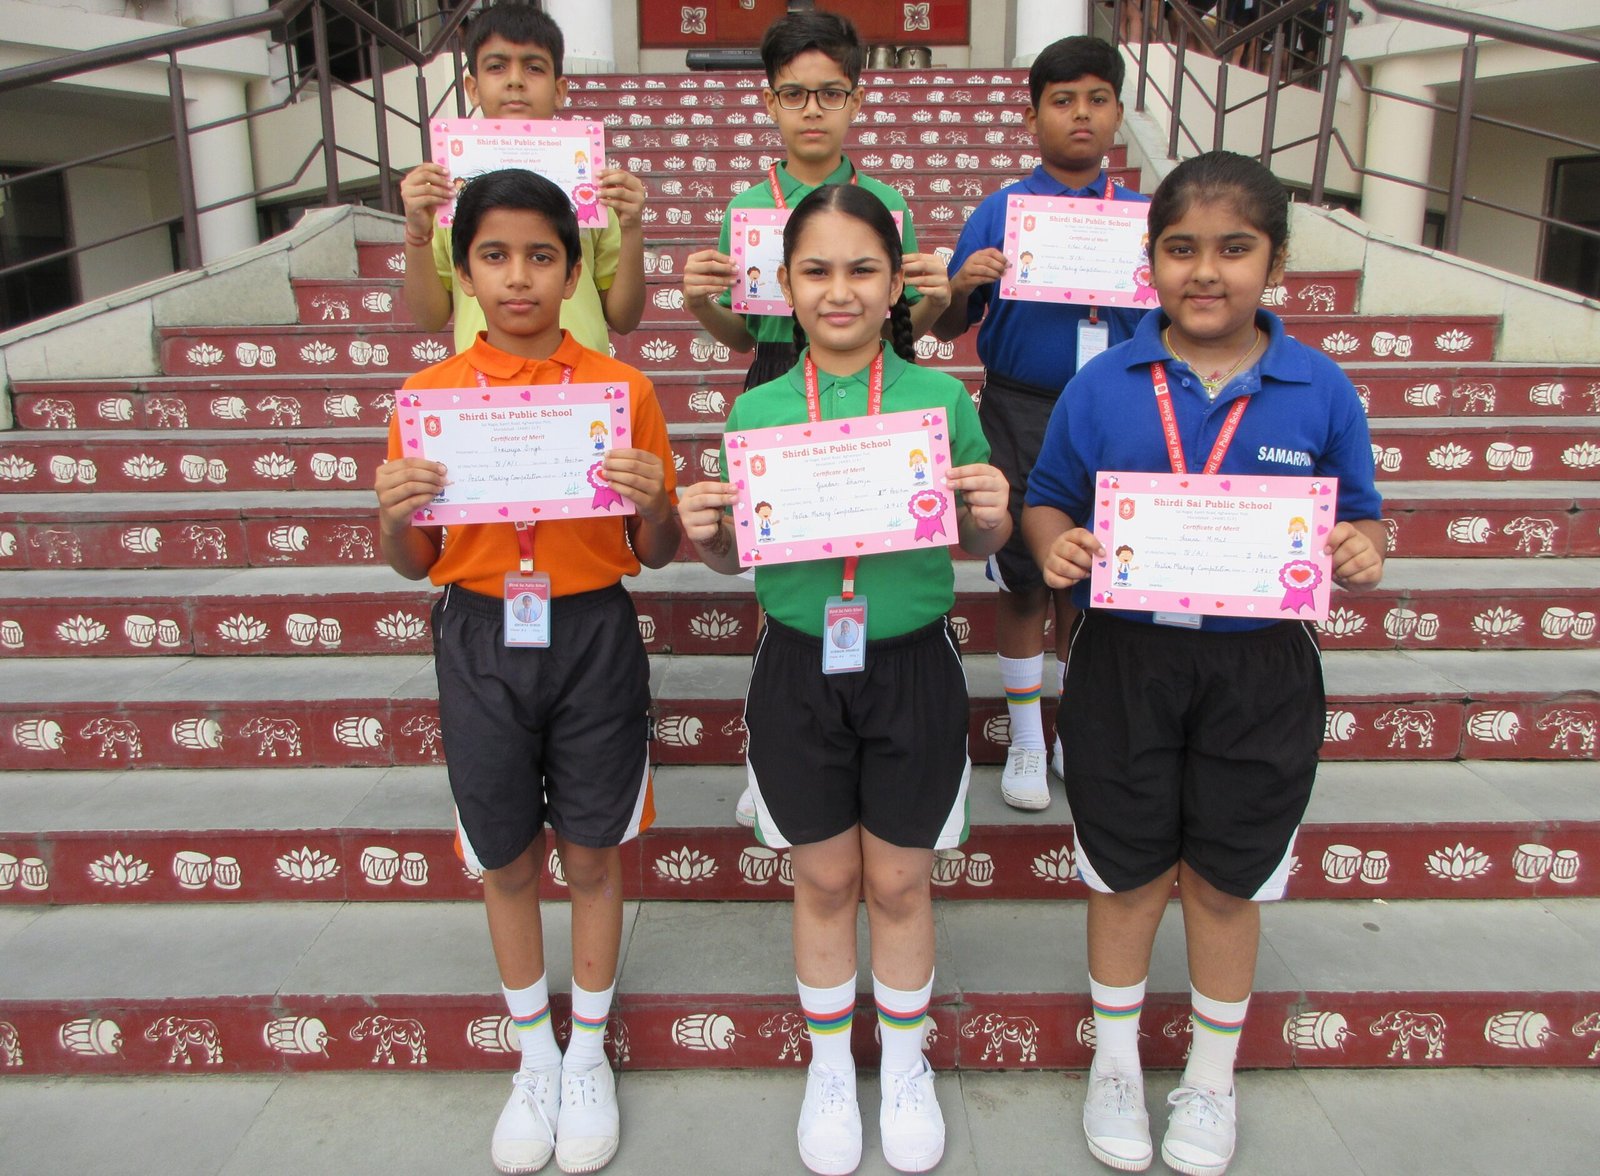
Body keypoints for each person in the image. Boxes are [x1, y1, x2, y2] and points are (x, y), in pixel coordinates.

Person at [1022, 151, 1385, 1176]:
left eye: (1234, 248)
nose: (1207, 271)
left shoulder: (1319, 387)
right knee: (1126, 872)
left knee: (1228, 882)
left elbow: (1361, 518)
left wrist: (1360, 551)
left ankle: (1211, 1081)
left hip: (1259, 669)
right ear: (1150, 263)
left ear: (1276, 262)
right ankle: (1116, 1066)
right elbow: (1048, 497)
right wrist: (1055, 545)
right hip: (1124, 660)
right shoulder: (1102, 384)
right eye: (1181, 249)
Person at [677, 183, 1009, 1176]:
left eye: (862, 269)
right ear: (783, 286)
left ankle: (902, 1066)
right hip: (798, 665)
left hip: (910, 662)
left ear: (897, 283)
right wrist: (707, 537)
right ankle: (830, 1068)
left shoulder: (942, 402)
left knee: (900, 881)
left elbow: (976, 541)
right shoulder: (758, 408)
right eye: (815, 270)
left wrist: (992, 512)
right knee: (822, 876)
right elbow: (735, 560)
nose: (838, 290)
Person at [374, 169, 680, 1176]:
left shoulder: (621, 392)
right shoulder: (428, 401)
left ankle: (586, 1052)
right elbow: (411, 561)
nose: (518, 277)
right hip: (479, 635)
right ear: (462, 273)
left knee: (591, 853)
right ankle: (532, 1055)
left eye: (541, 256)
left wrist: (652, 500)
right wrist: (392, 514)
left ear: (572, 269)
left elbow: (656, 550)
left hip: (591, 631)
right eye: (494, 257)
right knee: (504, 857)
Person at [682, 7, 952, 828]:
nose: (812, 110)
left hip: (871, 385)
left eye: (830, 92)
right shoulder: (746, 207)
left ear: (856, 99)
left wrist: (936, 303)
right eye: (794, 93)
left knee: (858, 542)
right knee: (783, 567)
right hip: (779, 375)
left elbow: (896, 326)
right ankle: (777, 742)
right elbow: (745, 333)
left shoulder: (885, 203)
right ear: (769, 101)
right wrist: (700, 305)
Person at [934, 36, 1149, 812]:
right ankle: (1027, 738)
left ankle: (1076, 733)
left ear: (1118, 112)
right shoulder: (1001, 211)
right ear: (1033, 118)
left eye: (1096, 98)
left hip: (1123, 411)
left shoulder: (1146, 220)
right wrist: (963, 283)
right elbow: (947, 324)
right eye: (1061, 101)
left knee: (1096, 583)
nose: (1080, 114)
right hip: (1020, 408)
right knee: (1025, 578)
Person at [399, 2, 647, 355]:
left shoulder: (592, 185)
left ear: (559, 90)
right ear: (472, 87)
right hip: (485, 381)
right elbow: (430, 318)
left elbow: (624, 318)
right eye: (497, 66)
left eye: (533, 67)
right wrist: (416, 232)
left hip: (581, 379)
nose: (515, 80)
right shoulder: (446, 187)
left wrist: (632, 226)